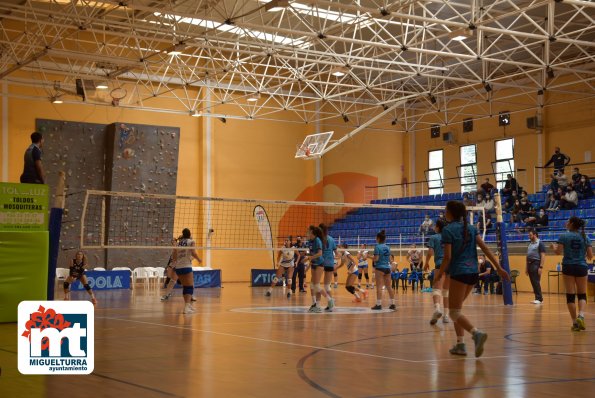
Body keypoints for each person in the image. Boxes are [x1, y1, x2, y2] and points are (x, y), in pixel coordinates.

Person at [434, 201, 510, 357]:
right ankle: (460, 344)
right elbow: (486, 249)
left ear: (450, 213)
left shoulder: (448, 230)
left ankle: (476, 333)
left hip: (459, 273)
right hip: (473, 274)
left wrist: (439, 274)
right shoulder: (471, 228)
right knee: (458, 310)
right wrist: (499, 268)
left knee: (454, 312)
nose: (444, 212)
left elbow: (447, 257)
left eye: (445, 210)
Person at [551, 217, 593, 331]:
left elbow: (558, 252)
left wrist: (553, 247)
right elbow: (590, 255)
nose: (566, 223)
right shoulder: (585, 237)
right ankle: (581, 315)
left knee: (570, 296)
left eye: (568, 222)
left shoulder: (563, 236)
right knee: (582, 294)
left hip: (568, 267)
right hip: (581, 267)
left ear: (571, 224)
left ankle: (575, 323)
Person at [171, 228, 202, 314]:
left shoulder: (178, 244)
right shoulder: (191, 241)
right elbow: (193, 252)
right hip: (186, 266)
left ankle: (187, 306)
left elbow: (174, 255)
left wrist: (174, 263)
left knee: (185, 286)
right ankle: (186, 307)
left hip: (178, 267)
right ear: (189, 234)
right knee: (190, 286)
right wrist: (199, 259)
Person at [424, 220, 450, 325]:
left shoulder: (434, 237)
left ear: (438, 227)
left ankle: (438, 309)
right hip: (450, 265)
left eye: (435, 226)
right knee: (446, 291)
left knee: (436, 288)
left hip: (440, 264)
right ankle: (446, 316)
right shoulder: (449, 237)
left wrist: (426, 263)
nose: (434, 227)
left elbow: (430, 252)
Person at [304, 225, 329, 313]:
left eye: (308, 231)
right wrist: (307, 258)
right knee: (312, 285)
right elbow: (312, 254)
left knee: (317, 286)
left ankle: (330, 300)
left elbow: (319, 253)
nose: (307, 232)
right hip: (314, 264)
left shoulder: (317, 240)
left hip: (319, 264)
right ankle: (314, 304)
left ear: (312, 232)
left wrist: (309, 258)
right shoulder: (310, 241)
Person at [371, 230, 396, 310]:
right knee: (389, 286)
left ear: (378, 238)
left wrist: (368, 256)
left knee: (379, 287)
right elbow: (390, 260)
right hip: (387, 268)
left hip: (380, 268)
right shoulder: (387, 247)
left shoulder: (377, 247)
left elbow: (376, 259)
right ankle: (393, 304)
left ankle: (378, 305)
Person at [319, 224, 337, 312]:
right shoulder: (332, 239)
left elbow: (319, 252)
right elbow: (336, 252)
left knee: (317, 284)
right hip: (330, 263)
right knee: (326, 285)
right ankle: (330, 304)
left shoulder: (319, 240)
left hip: (322, 263)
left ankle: (330, 303)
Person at [526, 230, 546, 304]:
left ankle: (539, 298)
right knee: (533, 282)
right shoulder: (530, 244)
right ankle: (537, 298)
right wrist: (526, 268)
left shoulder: (540, 243)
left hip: (536, 263)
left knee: (536, 281)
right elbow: (527, 256)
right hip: (530, 264)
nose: (529, 236)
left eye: (530, 235)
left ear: (535, 235)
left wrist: (541, 267)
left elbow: (543, 255)